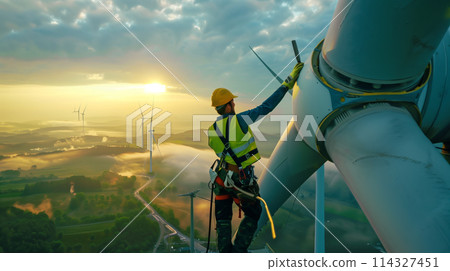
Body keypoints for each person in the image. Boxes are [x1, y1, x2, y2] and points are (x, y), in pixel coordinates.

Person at [208, 62, 304, 252]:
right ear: (227, 106)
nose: (234, 103)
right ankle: (239, 251)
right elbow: (266, 107)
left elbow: (221, 153)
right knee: (254, 212)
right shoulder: (240, 121)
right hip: (240, 180)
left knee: (223, 217)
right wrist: (287, 84)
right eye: (232, 102)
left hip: (221, 178)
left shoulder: (211, 131)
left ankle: (224, 252)